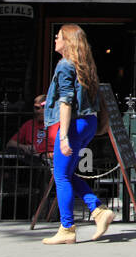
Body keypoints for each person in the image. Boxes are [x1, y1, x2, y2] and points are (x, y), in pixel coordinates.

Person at [40, 24, 116, 245]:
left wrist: (63, 137)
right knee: (69, 172)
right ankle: (98, 210)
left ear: (68, 42)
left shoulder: (64, 65)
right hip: (88, 123)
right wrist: (50, 102)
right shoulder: (84, 64)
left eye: (58, 37)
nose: (55, 40)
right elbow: (73, 97)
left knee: (61, 176)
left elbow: (66, 101)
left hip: (74, 125)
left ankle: (67, 228)